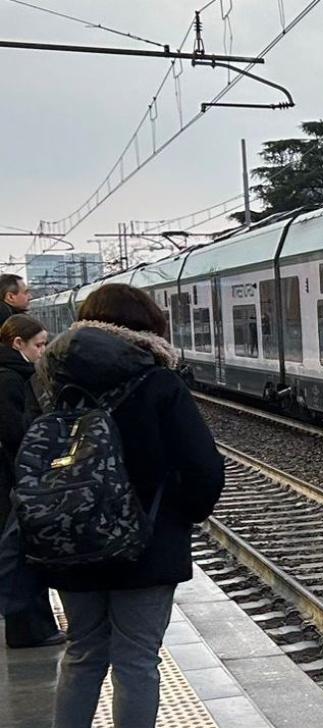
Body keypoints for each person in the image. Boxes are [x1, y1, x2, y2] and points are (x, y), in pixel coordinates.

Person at [35, 283, 225, 728]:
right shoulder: (158, 380)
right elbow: (203, 468)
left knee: (82, 653)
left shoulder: (46, 378)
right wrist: (177, 516)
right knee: (136, 660)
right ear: (145, 327)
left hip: (68, 536)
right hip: (146, 540)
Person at [0, 314, 62, 648]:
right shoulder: (10, 378)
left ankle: (35, 627)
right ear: (18, 344)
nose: (43, 350)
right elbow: (15, 433)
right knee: (22, 558)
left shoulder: (16, 374)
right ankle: (29, 629)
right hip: (14, 480)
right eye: (39, 344)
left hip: (15, 478)